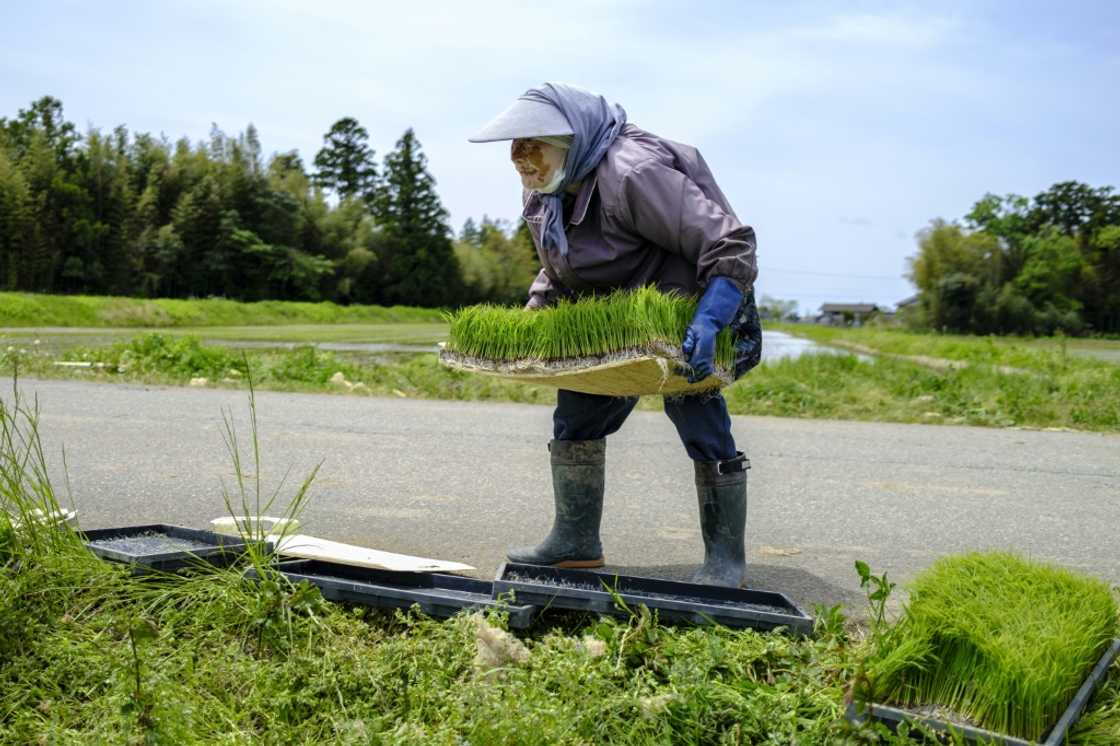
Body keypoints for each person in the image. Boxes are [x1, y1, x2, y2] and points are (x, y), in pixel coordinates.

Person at [469, 83, 761, 587]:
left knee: (697, 415)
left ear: (572, 139)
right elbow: (558, 267)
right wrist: (534, 319)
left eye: (534, 149)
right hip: (613, 314)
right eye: (516, 155)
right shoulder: (544, 189)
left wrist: (711, 319)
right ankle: (576, 541)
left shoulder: (633, 173)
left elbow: (729, 242)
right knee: (577, 412)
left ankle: (724, 559)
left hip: (688, 306)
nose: (524, 163)